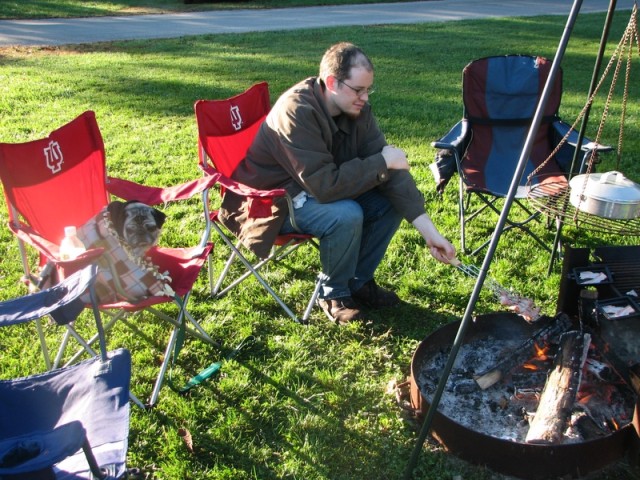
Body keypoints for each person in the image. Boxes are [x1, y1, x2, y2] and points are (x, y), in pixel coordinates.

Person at [220, 41, 456, 324]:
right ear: (332, 82)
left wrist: (430, 233)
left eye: (368, 89)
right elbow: (326, 186)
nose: (365, 98)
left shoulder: (356, 109)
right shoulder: (296, 111)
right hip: (271, 203)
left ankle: (358, 281)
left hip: (313, 190)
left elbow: (391, 171)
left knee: (389, 201)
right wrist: (381, 162)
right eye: (358, 90)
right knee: (345, 214)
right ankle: (333, 294)